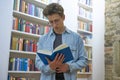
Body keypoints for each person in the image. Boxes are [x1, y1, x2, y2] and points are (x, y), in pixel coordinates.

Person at [35, 3, 88, 80]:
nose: (54, 25)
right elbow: (38, 62)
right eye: (51, 22)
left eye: (56, 21)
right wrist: (50, 67)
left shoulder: (76, 38)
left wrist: (69, 67)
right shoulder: (43, 39)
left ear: (63, 17)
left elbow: (84, 60)